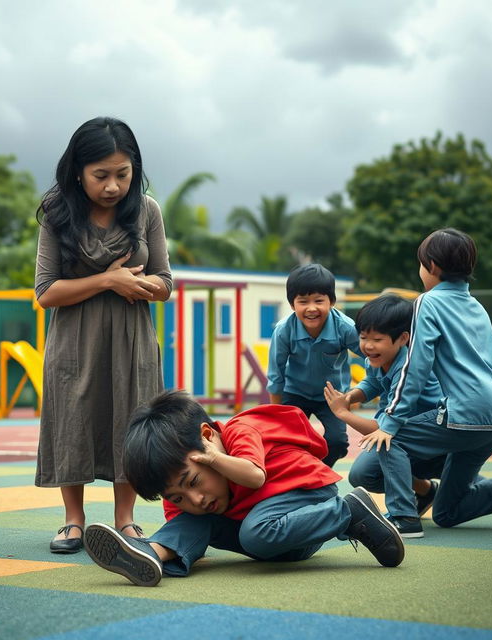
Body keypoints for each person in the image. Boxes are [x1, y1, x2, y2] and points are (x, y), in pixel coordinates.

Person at [83, 390, 405, 587]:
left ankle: (348, 513)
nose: (196, 499)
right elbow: (186, 523)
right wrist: (181, 539)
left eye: (194, 481)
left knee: (255, 532)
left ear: (208, 436)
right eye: (177, 497)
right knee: (199, 520)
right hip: (272, 537)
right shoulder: (195, 500)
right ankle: (152, 554)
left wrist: (214, 458)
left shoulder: (240, 432)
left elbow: (255, 478)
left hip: (303, 500)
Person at [34, 117, 172, 553]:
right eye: (101, 175)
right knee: (72, 419)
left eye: (122, 174)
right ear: (78, 170)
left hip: (132, 340)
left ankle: (125, 520)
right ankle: (73, 520)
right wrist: (108, 281)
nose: (113, 186)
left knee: (131, 419)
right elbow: (46, 292)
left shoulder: (147, 210)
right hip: (74, 342)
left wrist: (142, 285)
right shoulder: (57, 213)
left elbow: (166, 283)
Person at [358, 228, 492, 538]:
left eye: (420, 264)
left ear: (432, 266)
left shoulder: (428, 302)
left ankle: (404, 518)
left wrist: (391, 420)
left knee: (394, 439)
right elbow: (491, 360)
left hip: (464, 413)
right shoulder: (476, 307)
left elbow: (416, 366)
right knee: (447, 512)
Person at [324, 294, 445, 533]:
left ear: (402, 338)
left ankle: (406, 517)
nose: (368, 345)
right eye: (363, 337)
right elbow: (372, 383)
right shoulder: (377, 358)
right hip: (403, 440)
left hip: (434, 442)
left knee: (464, 489)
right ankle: (426, 491)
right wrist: (349, 398)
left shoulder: (408, 367)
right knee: (362, 475)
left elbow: (385, 430)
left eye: (377, 339)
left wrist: (343, 413)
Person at [267, 263, 361, 467]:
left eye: (319, 300)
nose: (311, 308)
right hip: (295, 393)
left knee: (338, 442)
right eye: (303, 301)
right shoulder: (284, 331)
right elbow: (276, 374)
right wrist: (276, 415)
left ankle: (318, 472)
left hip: (332, 395)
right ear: (292, 305)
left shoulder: (345, 328)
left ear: (332, 301)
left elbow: (371, 356)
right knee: (285, 442)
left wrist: (360, 392)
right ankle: (296, 477)